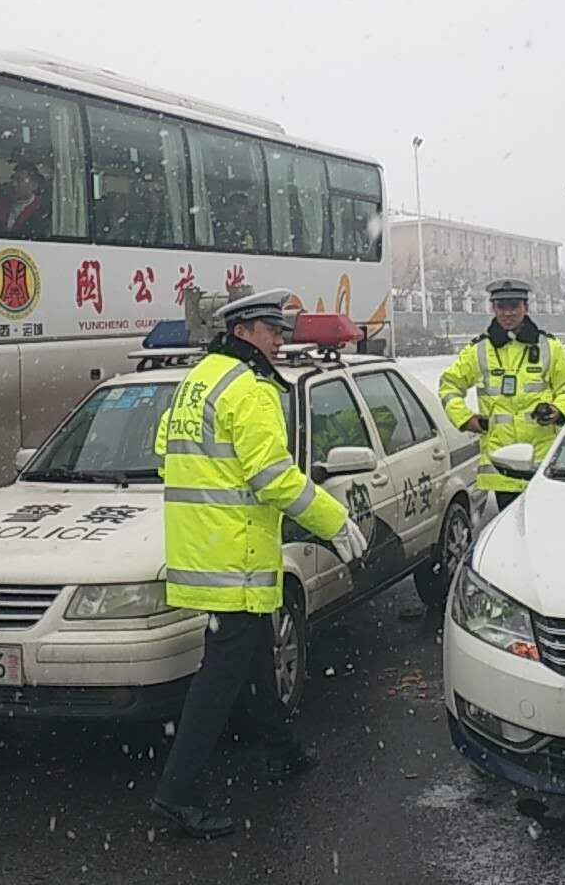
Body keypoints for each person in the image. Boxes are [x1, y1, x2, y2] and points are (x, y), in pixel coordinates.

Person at [148, 289, 367, 840]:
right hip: (236, 555)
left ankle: (281, 749)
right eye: (272, 328)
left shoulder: (197, 380)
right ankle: (177, 793)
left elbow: (162, 454)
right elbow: (274, 478)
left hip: (204, 551)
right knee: (218, 679)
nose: (280, 337)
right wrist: (334, 522)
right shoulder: (249, 389)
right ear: (244, 330)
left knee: (253, 657)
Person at [435, 278, 565, 511]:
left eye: (514, 306)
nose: (508, 313)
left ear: (526, 307)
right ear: (493, 308)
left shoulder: (549, 347)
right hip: (501, 465)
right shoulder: (479, 350)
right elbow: (448, 386)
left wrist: (559, 410)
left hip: (542, 462)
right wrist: (465, 419)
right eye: (501, 307)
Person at [0, 163, 51, 238]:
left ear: (34, 185)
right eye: (13, 179)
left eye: (19, 180)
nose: (14, 184)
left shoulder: (43, 211)